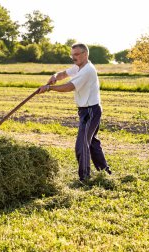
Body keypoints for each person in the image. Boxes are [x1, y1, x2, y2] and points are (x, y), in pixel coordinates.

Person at [38, 43, 111, 182]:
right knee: (92, 142)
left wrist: (49, 88)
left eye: (77, 54)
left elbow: (69, 87)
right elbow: (64, 74)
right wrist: (54, 76)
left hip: (90, 111)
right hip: (86, 110)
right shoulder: (79, 67)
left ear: (85, 54)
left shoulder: (87, 70)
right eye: (72, 55)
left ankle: (85, 178)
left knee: (82, 144)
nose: (74, 57)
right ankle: (105, 171)